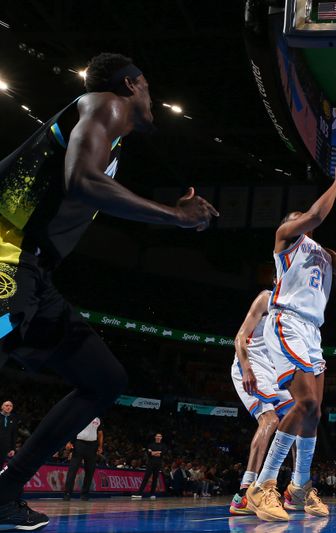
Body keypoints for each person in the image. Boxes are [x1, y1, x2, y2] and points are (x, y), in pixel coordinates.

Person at [0, 52, 217, 529]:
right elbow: (82, 181)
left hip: (32, 269)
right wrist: (177, 217)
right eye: (148, 88)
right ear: (131, 83)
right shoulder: (104, 105)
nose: (152, 99)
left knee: (104, 379)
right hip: (5, 255)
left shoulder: (113, 132)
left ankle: (6, 491)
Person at [246, 163, 336, 522]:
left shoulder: (324, 252)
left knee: (314, 413)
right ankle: (263, 485)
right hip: (286, 321)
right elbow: (317, 214)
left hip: (313, 332)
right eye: (299, 216)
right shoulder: (286, 236)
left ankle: (298, 488)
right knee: (302, 404)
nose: (305, 218)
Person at [228, 285, 294, 515]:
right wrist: (246, 367)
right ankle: (244, 493)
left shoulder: (299, 309)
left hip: (275, 371)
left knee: (298, 420)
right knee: (270, 420)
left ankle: (293, 490)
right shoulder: (266, 298)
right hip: (252, 365)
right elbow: (239, 337)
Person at [63, 418, 102, 501]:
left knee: (90, 471)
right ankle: (67, 493)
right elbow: (72, 429)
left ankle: (85, 494)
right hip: (79, 443)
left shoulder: (98, 418)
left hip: (92, 446)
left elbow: (100, 433)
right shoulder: (82, 415)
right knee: (73, 470)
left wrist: (100, 446)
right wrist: (69, 442)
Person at [132, 433, 165, 499]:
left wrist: (153, 452)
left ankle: (152, 494)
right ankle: (139, 493)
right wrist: (158, 452)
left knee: (155, 479)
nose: (158, 437)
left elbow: (162, 454)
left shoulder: (163, 446)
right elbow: (149, 454)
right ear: (155, 437)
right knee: (146, 478)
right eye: (157, 436)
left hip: (158, 463)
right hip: (150, 463)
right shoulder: (151, 445)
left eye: (160, 436)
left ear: (161, 438)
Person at [0, 401, 18, 468]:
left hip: (4, 447)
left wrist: (13, 449)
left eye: (10, 406)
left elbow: (14, 434)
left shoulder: (13, 419)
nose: (9, 407)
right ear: (2, 407)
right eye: (7, 405)